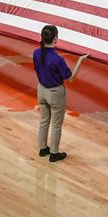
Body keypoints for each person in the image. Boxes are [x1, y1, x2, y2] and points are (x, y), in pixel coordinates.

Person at [33, 25, 88, 162]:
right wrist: (80, 60)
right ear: (55, 39)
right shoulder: (57, 59)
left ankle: (43, 148)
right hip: (55, 93)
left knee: (44, 121)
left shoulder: (36, 53)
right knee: (56, 124)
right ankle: (54, 153)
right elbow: (70, 77)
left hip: (41, 90)